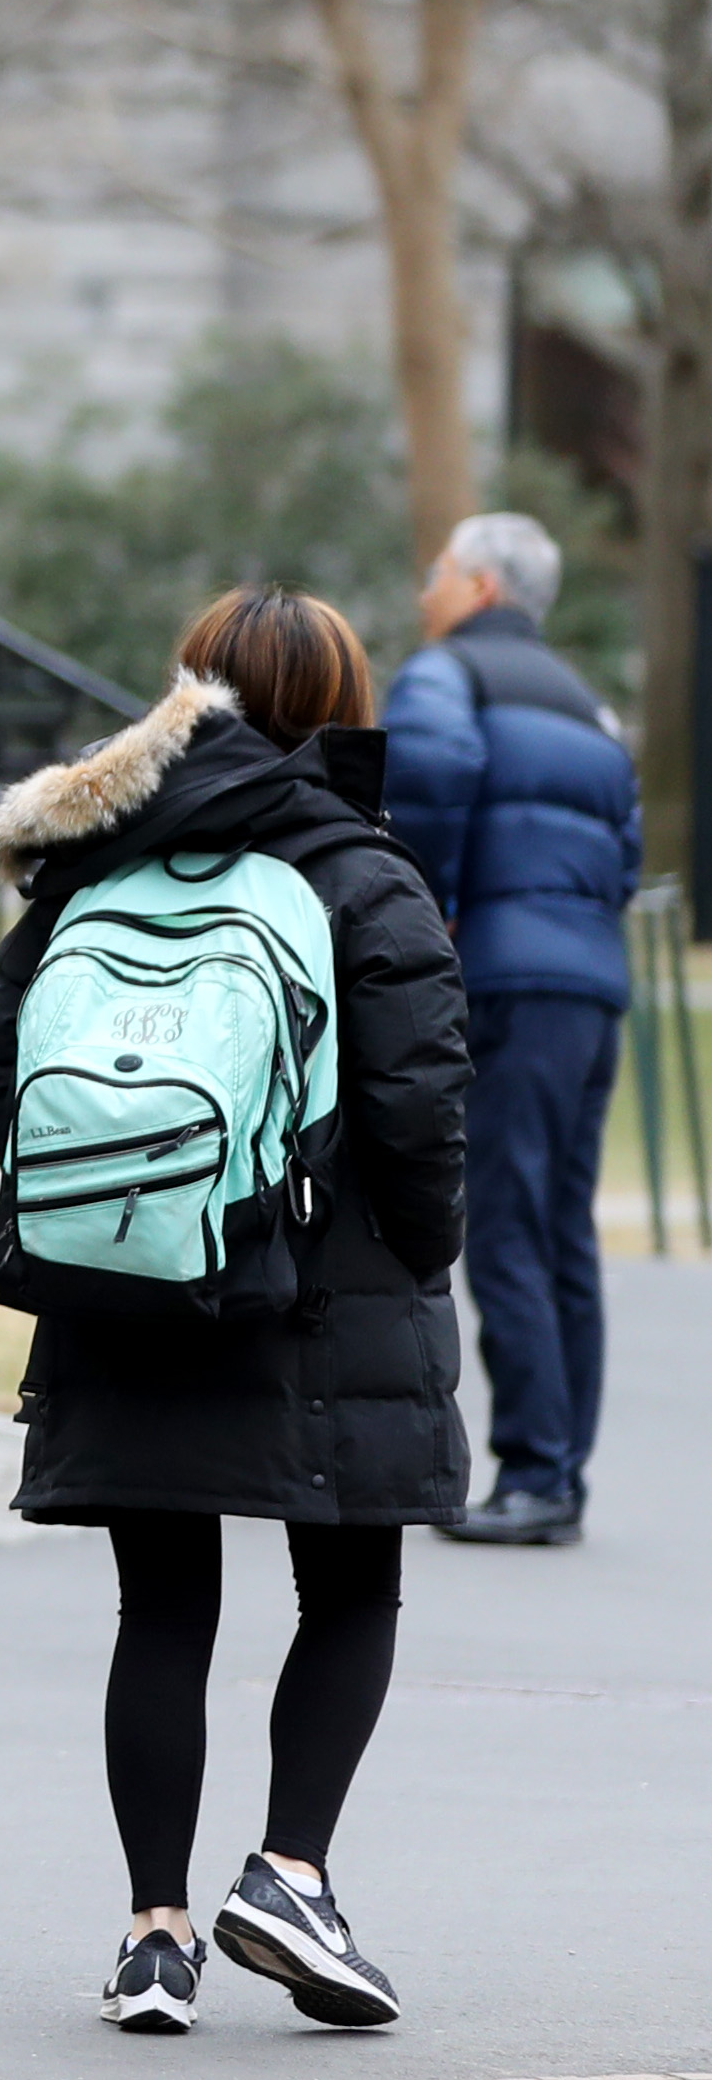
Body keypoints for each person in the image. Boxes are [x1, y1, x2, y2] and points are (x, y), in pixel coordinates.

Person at [0, 588, 467, 2035]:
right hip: (323, 1292)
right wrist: (415, 1263)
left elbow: (3, 1088)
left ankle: (151, 1934)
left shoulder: (86, 867)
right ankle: (290, 1873)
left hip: (124, 1283)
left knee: (161, 1604)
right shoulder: (360, 872)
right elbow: (420, 1102)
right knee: (348, 1590)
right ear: (343, 704)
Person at [382, 512, 641, 1548]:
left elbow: (428, 772)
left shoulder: (448, 672)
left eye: (437, 570)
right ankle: (556, 1470)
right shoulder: (589, 707)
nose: (423, 591)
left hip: (502, 981)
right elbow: (621, 854)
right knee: (560, 1227)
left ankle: (531, 1475)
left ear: (481, 586)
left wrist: (425, 899)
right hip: (587, 988)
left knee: (498, 1222)